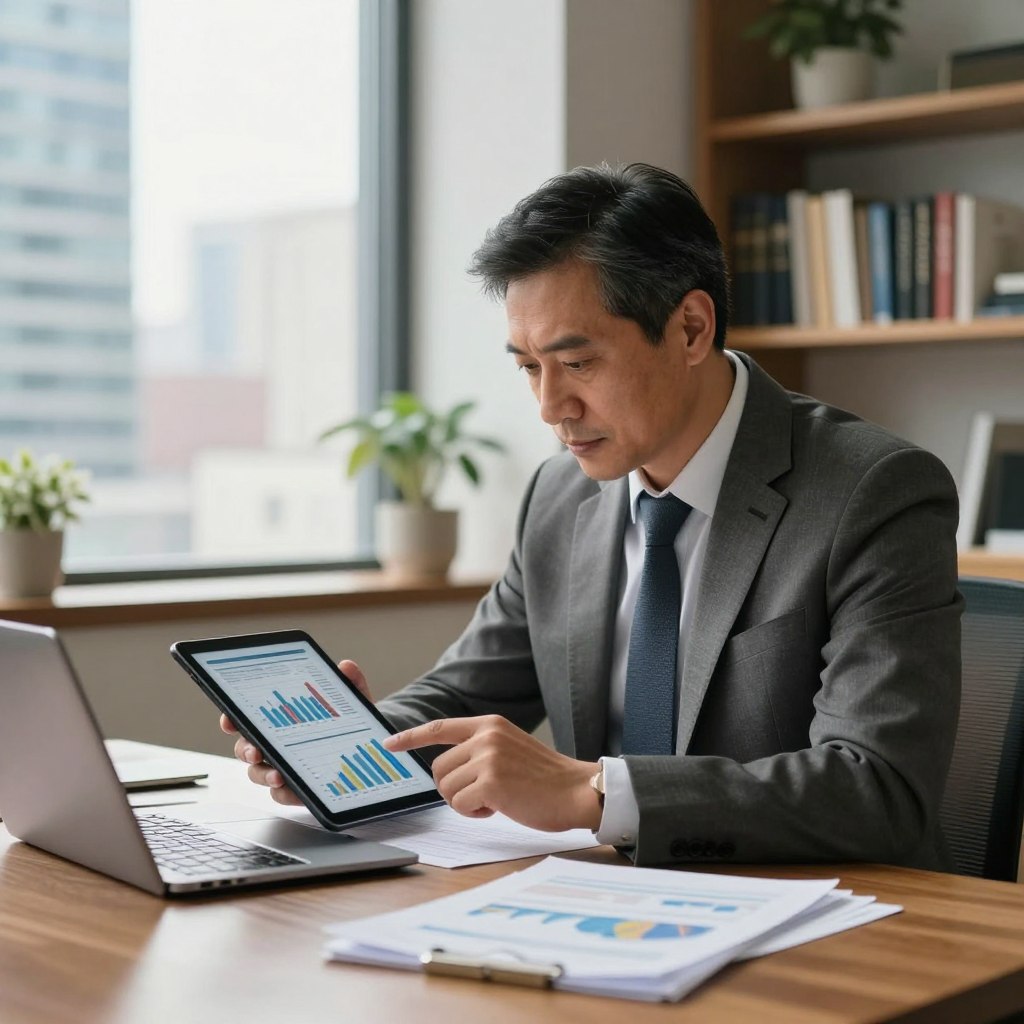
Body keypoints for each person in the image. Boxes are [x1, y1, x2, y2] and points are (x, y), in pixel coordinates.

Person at [225, 162, 962, 869]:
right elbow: (466, 693)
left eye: (578, 364)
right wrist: (346, 747)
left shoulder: (873, 491)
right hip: (603, 907)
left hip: (826, 923)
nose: (551, 408)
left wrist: (591, 792)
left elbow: (877, 788)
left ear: (692, 329)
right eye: (528, 366)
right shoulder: (560, 496)